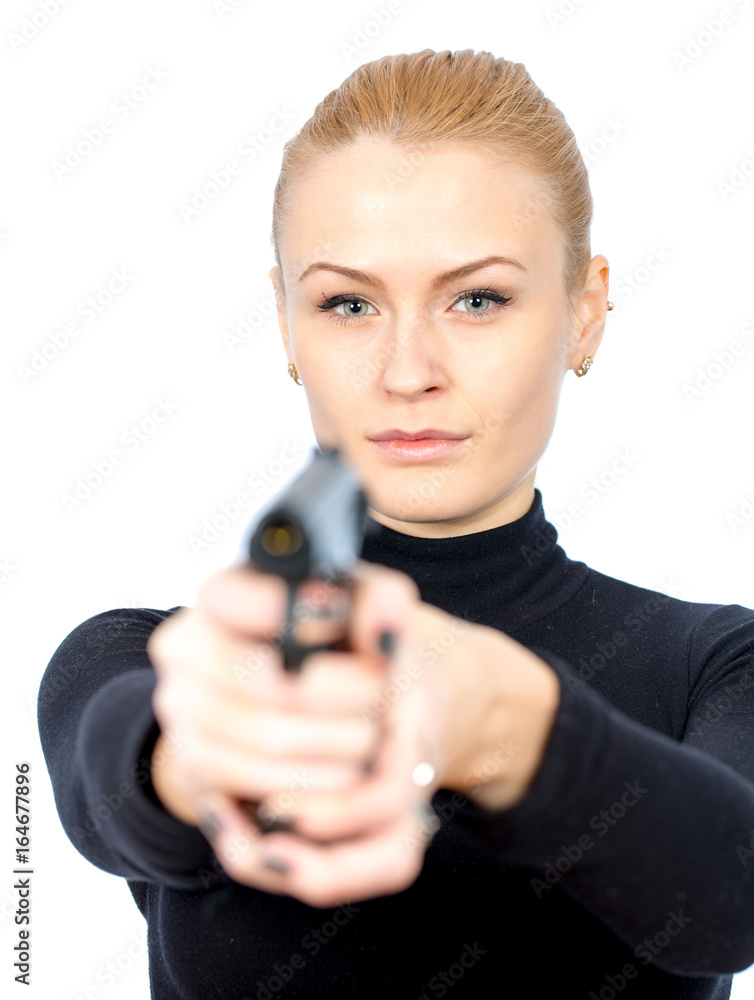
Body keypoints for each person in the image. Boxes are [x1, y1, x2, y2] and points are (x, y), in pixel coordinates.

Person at [37, 48, 754, 999]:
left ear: (585, 312)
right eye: (349, 304)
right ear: (287, 325)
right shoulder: (140, 658)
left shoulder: (718, 663)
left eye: (477, 299)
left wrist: (497, 722)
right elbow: (119, 779)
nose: (408, 371)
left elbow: (732, 895)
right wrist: (212, 753)